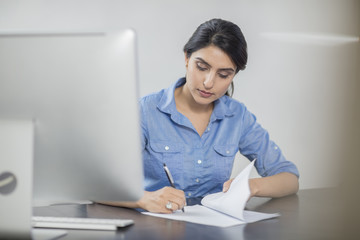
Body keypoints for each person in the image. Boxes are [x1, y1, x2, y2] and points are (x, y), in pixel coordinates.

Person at [103, 18, 299, 213]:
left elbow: (289, 178)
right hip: (153, 228)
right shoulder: (145, 111)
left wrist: (251, 186)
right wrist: (143, 199)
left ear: (234, 75)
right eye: (202, 67)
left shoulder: (237, 116)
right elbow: (98, 184)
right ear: (187, 58)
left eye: (223, 75)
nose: (208, 82)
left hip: (214, 229)